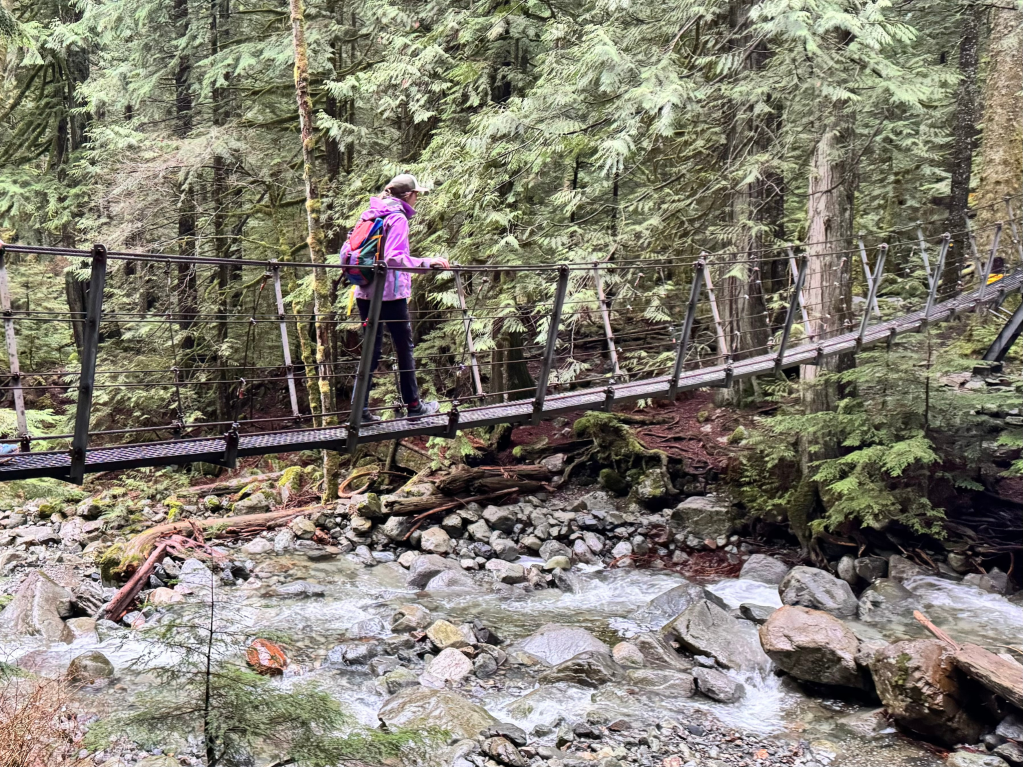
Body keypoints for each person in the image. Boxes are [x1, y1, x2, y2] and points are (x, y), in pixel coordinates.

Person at [340, 173, 449, 422]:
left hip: (364, 292)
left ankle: (360, 412)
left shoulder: (369, 215)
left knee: (372, 350)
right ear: (410, 195)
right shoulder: (397, 218)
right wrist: (427, 262)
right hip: (390, 294)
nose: (418, 198)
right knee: (404, 349)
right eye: (417, 194)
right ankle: (413, 406)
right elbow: (393, 259)